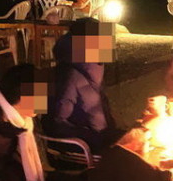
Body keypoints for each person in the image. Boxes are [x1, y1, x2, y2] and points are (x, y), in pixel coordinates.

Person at [42, 18, 124, 153]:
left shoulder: (91, 69)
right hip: (81, 147)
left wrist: (111, 130)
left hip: (98, 135)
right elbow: (56, 124)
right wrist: (99, 139)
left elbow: (96, 106)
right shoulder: (69, 76)